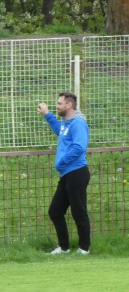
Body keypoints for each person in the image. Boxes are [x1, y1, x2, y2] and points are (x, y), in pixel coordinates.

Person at [37, 92, 91, 255]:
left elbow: (79, 148)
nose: (57, 106)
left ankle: (84, 249)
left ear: (69, 105)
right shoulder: (66, 123)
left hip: (76, 173)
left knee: (79, 212)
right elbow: (60, 131)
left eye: (59, 103)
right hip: (67, 174)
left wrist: (61, 162)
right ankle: (64, 247)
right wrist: (47, 114)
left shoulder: (78, 124)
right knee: (55, 211)